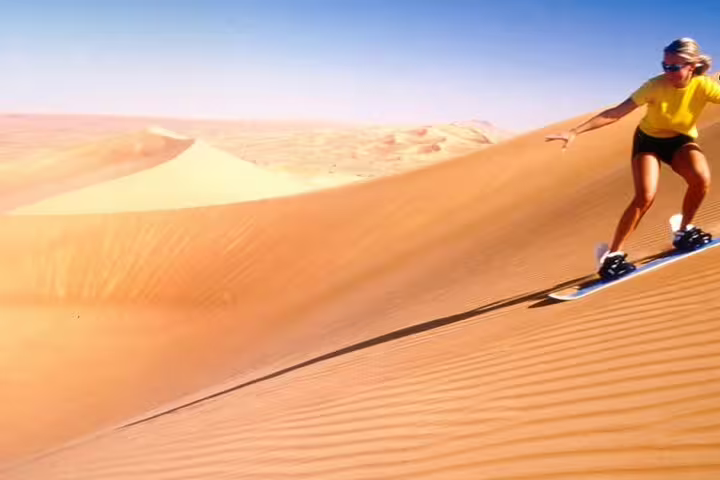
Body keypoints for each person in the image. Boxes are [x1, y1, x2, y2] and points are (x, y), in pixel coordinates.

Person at [546, 37, 720, 281]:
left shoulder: (704, 86)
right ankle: (613, 255)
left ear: (691, 66)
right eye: (664, 65)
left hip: (679, 141)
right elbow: (616, 113)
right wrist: (574, 131)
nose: (667, 71)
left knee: (701, 179)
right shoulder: (654, 86)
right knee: (645, 196)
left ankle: (684, 232)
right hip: (648, 142)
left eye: (674, 67)